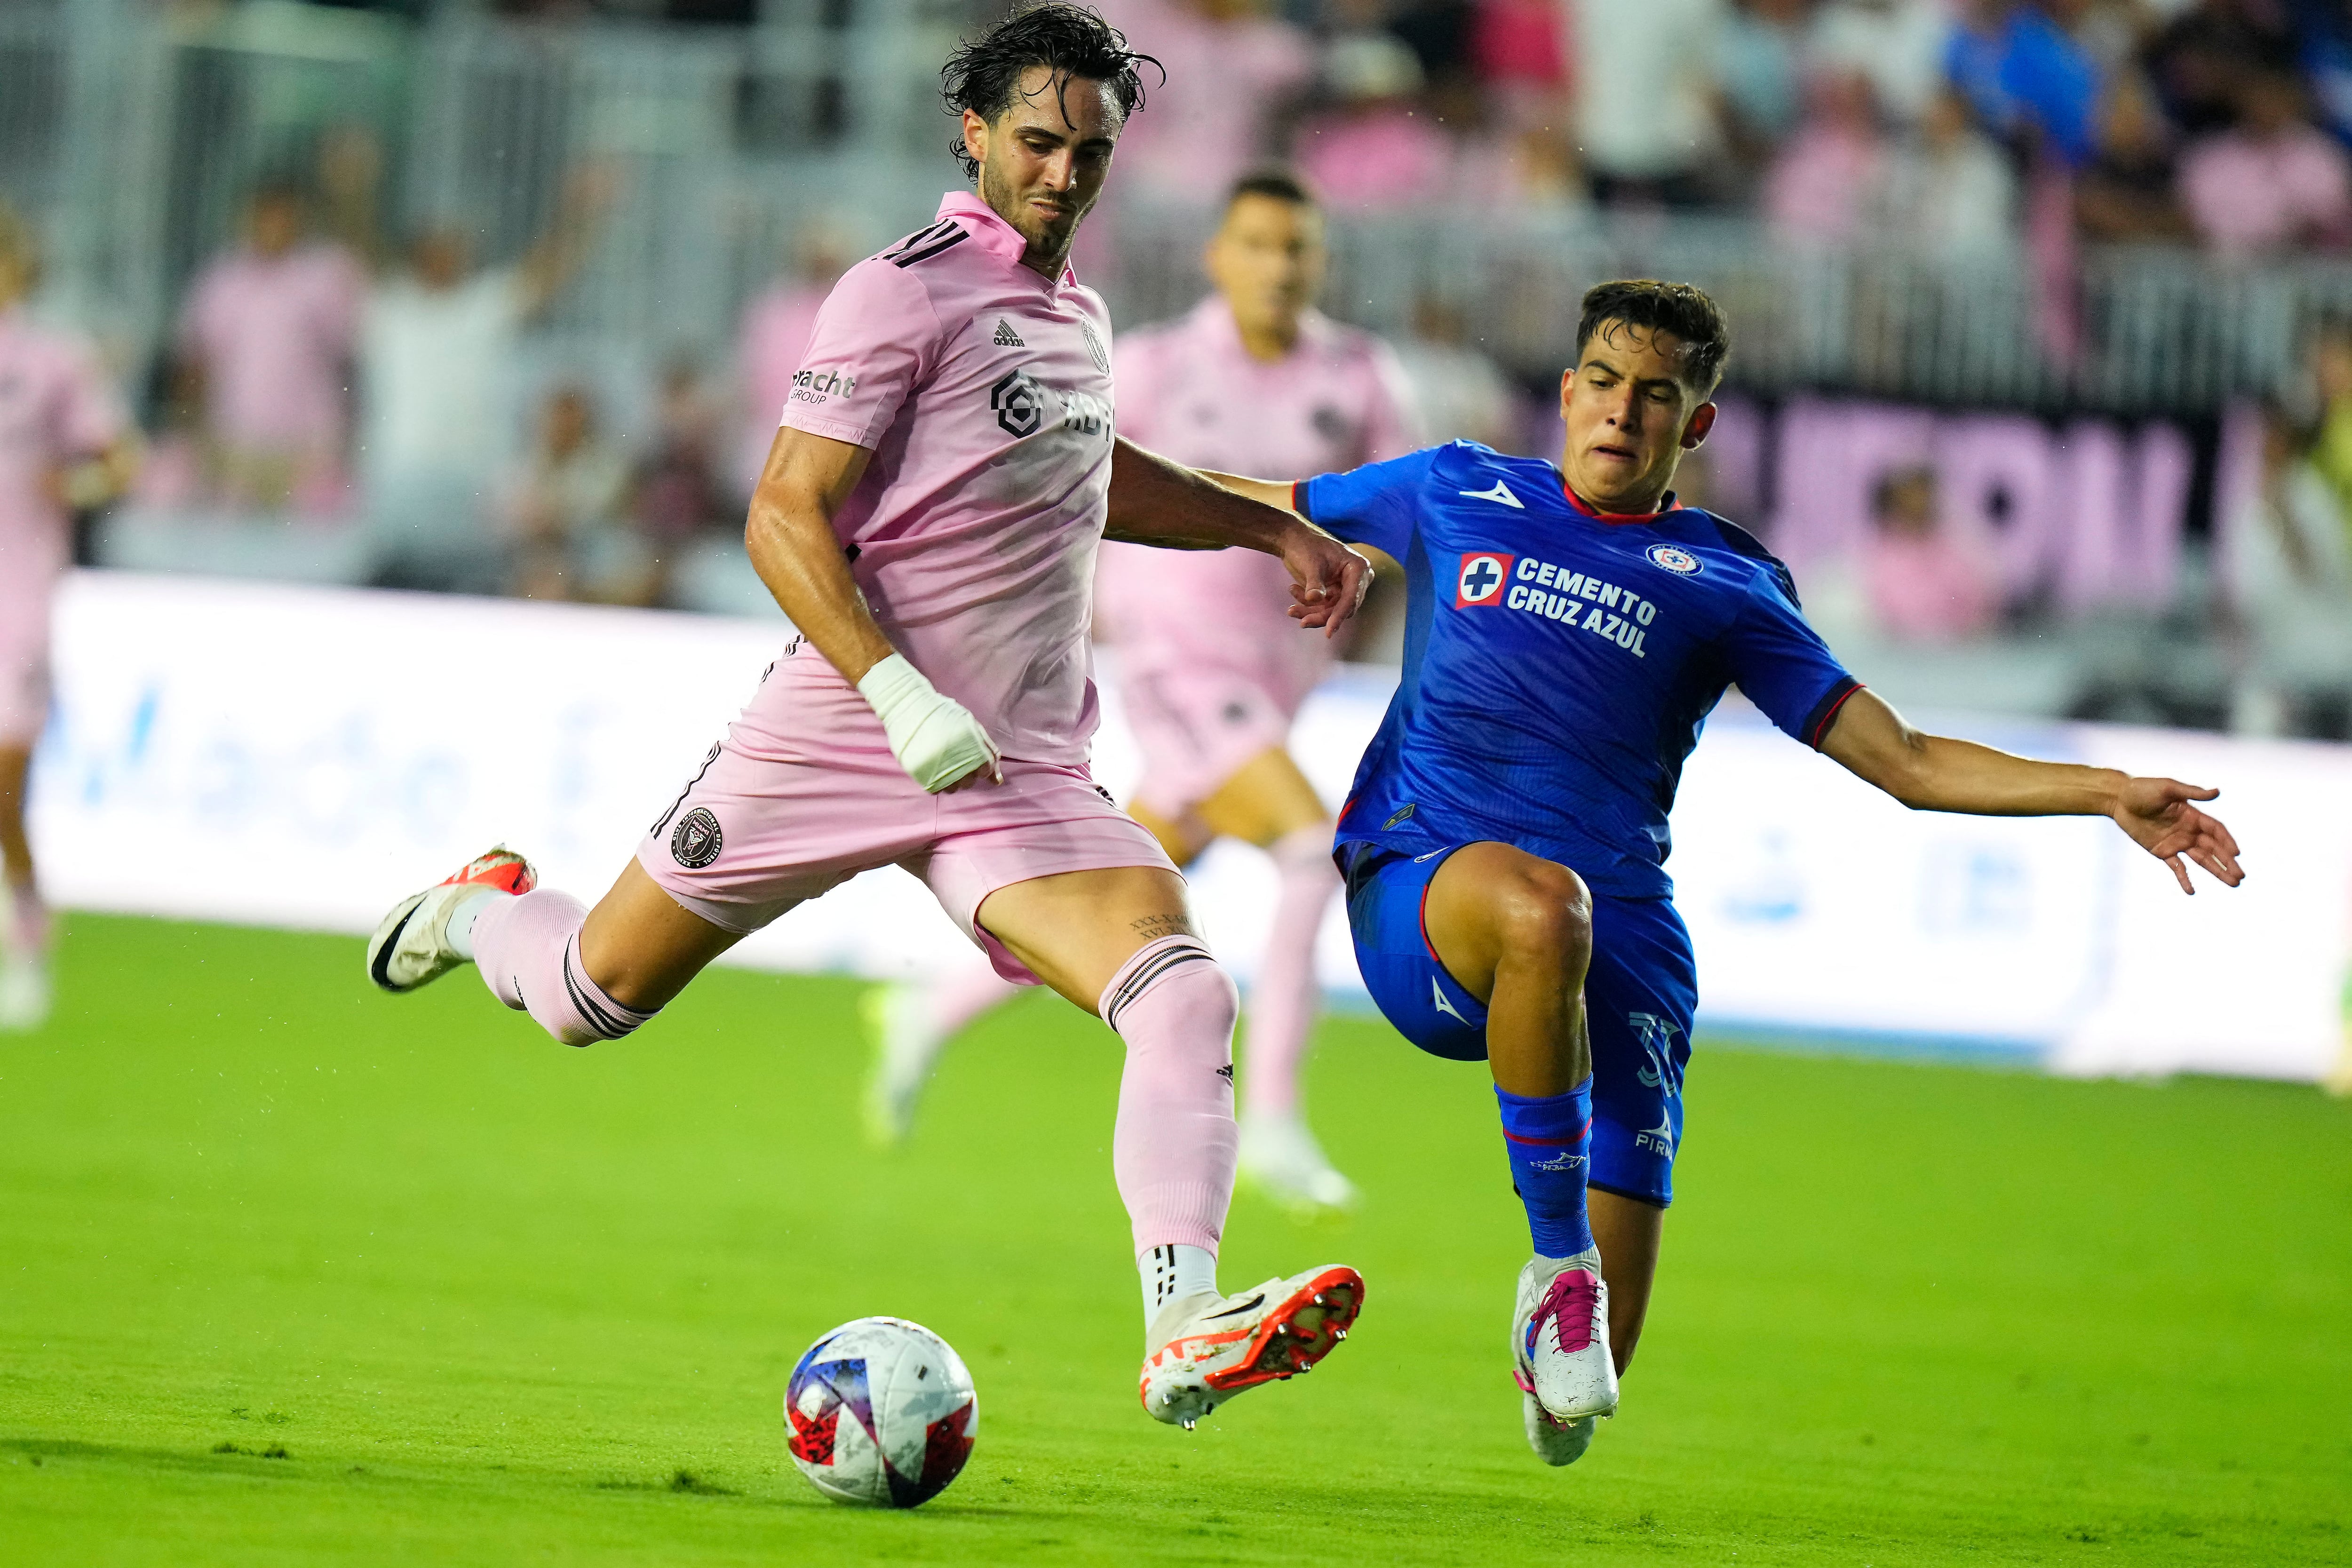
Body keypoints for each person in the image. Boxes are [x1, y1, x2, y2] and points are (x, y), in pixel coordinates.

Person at [363, 4, 1371, 1430]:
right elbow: (783, 511)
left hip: (1015, 764)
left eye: (1087, 149)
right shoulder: (900, 289)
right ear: (973, 132)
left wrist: (1267, 525)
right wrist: (895, 694)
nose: (1061, 172)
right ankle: (484, 910)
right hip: (847, 724)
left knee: (1180, 988)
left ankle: (1184, 1321)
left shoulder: (1074, 313)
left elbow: (1094, 474)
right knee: (591, 998)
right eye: (1035, 141)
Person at [1198, 279, 2244, 1466]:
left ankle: (1567, 1330)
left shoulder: (1729, 585)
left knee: (1579, 1409)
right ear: (1566, 391)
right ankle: (1556, 1266)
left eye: (1656, 396)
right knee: (1544, 909)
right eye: (1602, 383)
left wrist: (2103, 788)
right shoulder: (1454, 487)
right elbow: (1252, 503)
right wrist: (1073, 466)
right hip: (1428, 886)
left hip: (1626, 940)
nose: (1620, 414)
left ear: (1694, 425)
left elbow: (1899, 758)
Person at [864, 169, 1418, 1215]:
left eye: (1295, 248)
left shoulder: (1358, 375)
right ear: (1219, 255)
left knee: (1126, 898)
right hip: (1172, 654)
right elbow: (1074, 477)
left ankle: (929, 1010)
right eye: (1255, 244)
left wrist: (1353, 573)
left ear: (1319, 262)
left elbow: (1403, 514)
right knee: (1309, 853)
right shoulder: (1158, 362)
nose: (1276, 266)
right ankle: (1277, 1121)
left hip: (1273, 675)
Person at [0, 207, 135, 1030]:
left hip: (16, 601)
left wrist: (74, 487)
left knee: (2, 786)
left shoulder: (50, 361)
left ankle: (29, 935)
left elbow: (122, 460)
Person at [361, 167, 619, 593]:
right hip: (403, 484)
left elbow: (546, 272)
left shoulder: (483, 308)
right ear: (417, 252)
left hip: (473, 486)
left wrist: (583, 213)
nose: (447, 255)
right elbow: (361, 250)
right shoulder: (392, 309)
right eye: (436, 245)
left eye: (455, 246)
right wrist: (353, 192)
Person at [174, 180, 364, 512]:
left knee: (306, 553)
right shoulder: (222, 279)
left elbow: (348, 361)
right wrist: (195, 439)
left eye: (283, 218)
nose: (273, 227)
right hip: (235, 445)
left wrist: (346, 443)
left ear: (299, 222)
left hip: (308, 449)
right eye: (265, 217)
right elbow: (196, 364)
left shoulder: (322, 278)